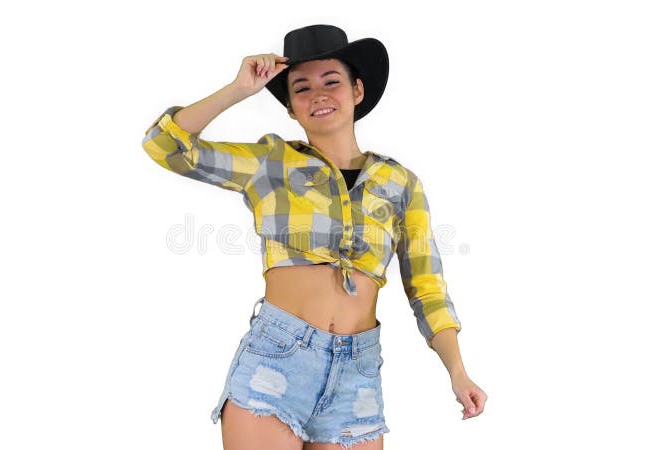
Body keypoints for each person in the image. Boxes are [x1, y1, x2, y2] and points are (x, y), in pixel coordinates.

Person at [141, 24, 487, 450]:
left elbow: (428, 289)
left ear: (357, 91)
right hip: (277, 359)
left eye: (331, 82)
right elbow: (164, 145)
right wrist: (238, 90)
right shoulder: (270, 162)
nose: (318, 95)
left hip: (358, 373)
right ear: (290, 109)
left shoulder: (401, 183)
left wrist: (457, 371)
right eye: (301, 88)